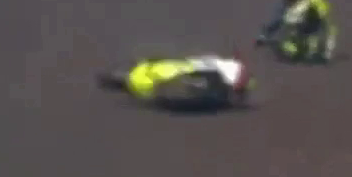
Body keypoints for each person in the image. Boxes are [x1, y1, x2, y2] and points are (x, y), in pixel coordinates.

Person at [96, 55, 252, 108]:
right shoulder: (140, 80)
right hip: (187, 73)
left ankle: (234, 87)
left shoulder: (139, 81)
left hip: (187, 72)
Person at [256, 0, 337, 63]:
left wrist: (328, 52)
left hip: (310, 45)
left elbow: (328, 26)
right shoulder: (286, 4)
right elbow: (277, 21)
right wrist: (266, 34)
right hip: (293, 45)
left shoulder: (313, 0)